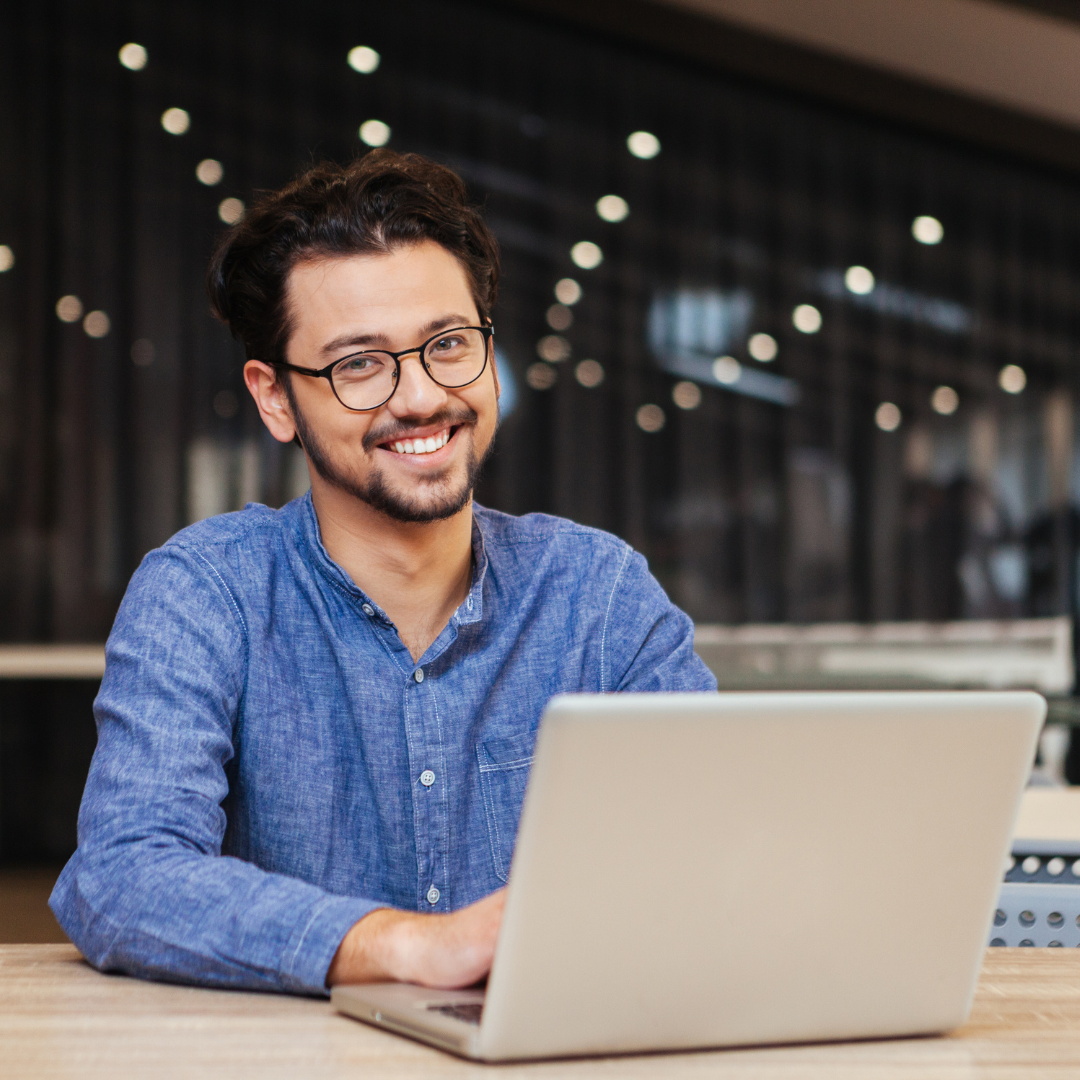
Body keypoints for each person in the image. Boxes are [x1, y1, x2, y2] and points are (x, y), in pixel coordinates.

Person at [50, 150, 717, 995]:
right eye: (359, 363)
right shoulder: (205, 593)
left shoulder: (596, 591)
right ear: (276, 398)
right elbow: (121, 878)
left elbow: (714, 847)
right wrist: (402, 946)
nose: (420, 397)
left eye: (447, 344)